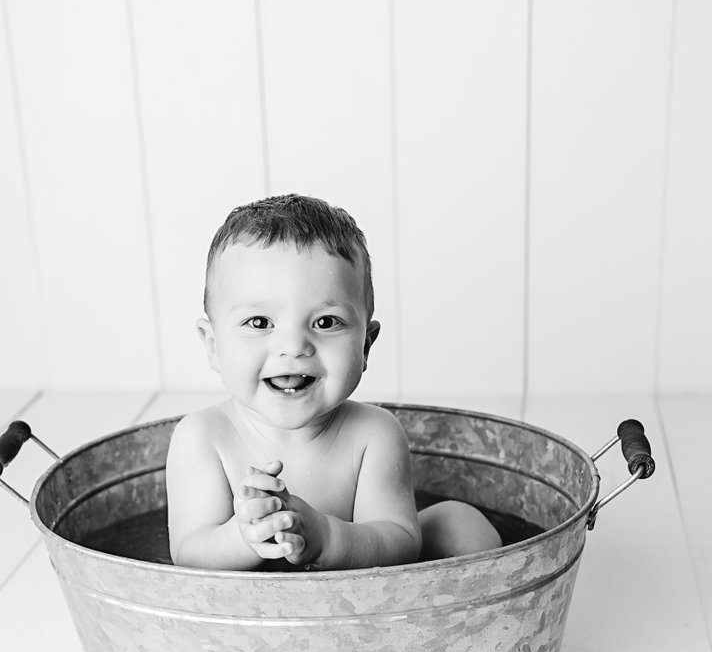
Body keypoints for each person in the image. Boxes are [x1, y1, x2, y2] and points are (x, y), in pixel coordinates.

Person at [165, 194, 502, 570]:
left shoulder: (374, 434)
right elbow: (189, 553)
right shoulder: (204, 437)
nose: (293, 346)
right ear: (214, 346)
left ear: (366, 346)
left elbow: (400, 541)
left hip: (360, 601)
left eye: (326, 322)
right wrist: (243, 538)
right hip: (248, 612)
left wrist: (326, 536)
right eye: (260, 323)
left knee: (461, 523)